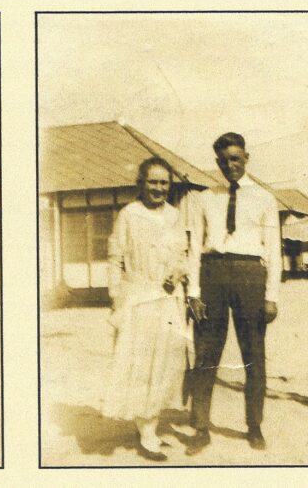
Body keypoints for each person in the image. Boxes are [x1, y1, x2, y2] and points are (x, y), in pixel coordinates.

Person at [185, 132, 281, 453]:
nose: (231, 165)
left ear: (246, 158)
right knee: (206, 353)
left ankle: (254, 426)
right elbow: (195, 246)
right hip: (212, 273)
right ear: (217, 163)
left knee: (253, 354)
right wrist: (194, 291)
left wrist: (272, 296)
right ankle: (200, 427)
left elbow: (275, 251)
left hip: (250, 274)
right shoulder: (205, 197)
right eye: (224, 161)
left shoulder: (265, 198)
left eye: (236, 158)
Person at [100, 157, 193, 461]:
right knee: (140, 364)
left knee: (165, 363)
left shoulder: (175, 216)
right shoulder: (129, 215)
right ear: (141, 182)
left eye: (164, 183)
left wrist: (176, 273)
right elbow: (115, 258)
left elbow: (182, 253)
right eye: (152, 182)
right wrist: (117, 297)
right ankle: (146, 431)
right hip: (138, 299)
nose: (158, 188)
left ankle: (149, 424)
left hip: (166, 299)